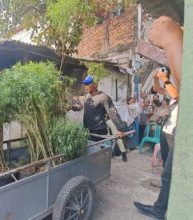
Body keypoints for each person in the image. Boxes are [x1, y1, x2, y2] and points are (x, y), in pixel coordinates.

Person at [134, 16, 182, 219]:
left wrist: (172, 40)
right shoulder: (175, 68)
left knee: (170, 174)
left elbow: (178, 94)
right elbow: (161, 92)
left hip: (179, 129)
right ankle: (162, 207)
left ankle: (162, 210)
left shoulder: (180, 56)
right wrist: (157, 80)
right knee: (168, 173)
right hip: (170, 128)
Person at [72, 75, 128, 162]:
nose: (85, 86)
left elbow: (113, 113)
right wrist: (76, 105)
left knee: (98, 156)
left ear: (95, 84)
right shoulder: (87, 96)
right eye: (84, 84)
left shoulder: (104, 97)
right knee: (90, 154)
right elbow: (82, 105)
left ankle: (101, 168)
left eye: (88, 84)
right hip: (88, 130)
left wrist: (120, 129)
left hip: (98, 131)